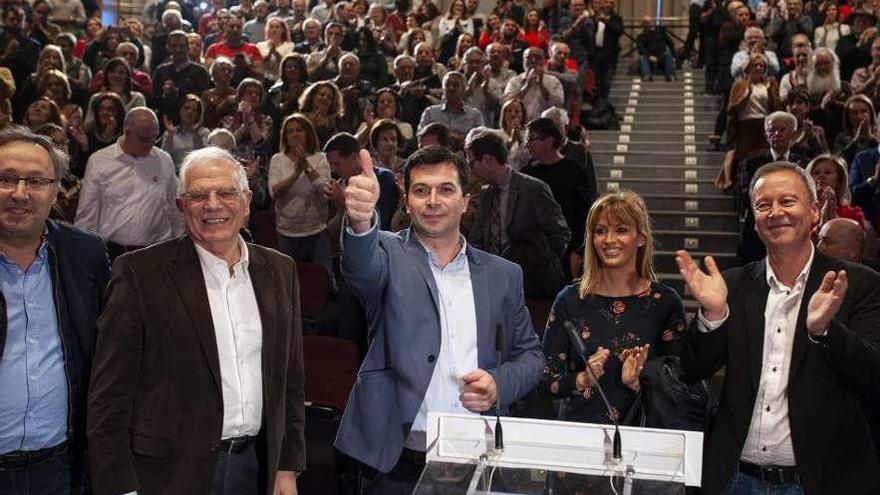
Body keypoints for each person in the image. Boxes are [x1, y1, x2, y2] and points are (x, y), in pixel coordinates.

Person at [87, 146, 306, 495]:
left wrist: (287, 466)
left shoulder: (280, 270)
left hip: (256, 467)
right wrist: (118, 487)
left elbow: (290, 381)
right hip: (167, 475)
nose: (213, 205)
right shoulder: (139, 275)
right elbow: (109, 396)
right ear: (180, 206)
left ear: (247, 201)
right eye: (199, 195)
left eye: (226, 193)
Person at [334, 145, 544, 494]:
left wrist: (498, 383)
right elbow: (360, 268)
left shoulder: (504, 275)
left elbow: (532, 356)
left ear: (465, 200)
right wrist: (360, 220)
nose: (433, 200)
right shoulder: (385, 253)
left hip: (478, 460)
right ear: (407, 201)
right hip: (397, 463)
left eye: (446, 189)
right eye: (421, 190)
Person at [675, 161, 880, 494]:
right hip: (736, 479)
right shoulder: (733, 284)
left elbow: (873, 374)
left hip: (822, 480)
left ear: (814, 212)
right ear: (755, 223)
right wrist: (713, 316)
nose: (775, 212)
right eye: (763, 205)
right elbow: (693, 368)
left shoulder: (859, 284)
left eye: (787, 201)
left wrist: (826, 331)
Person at [0, 126, 109, 495]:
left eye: (35, 181)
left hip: (60, 467)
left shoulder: (87, 254)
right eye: (6, 179)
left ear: (55, 190)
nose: (18, 193)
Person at [540, 189, 686, 423]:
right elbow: (544, 382)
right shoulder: (570, 299)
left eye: (621, 230)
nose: (609, 240)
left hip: (644, 436)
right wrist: (582, 380)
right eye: (600, 231)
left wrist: (639, 382)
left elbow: (681, 386)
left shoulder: (665, 302)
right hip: (579, 436)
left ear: (641, 238)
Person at [465, 127, 570, 300]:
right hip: (493, 285)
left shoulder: (533, 189)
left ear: (488, 159)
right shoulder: (486, 193)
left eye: (472, 163)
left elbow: (560, 233)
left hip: (530, 286)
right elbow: (478, 238)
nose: (470, 170)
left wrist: (542, 266)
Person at [75, 107, 182, 260]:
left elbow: (174, 206)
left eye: (155, 138)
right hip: (115, 253)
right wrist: (84, 255)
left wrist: (180, 243)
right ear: (127, 131)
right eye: (145, 139)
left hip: (158, 252)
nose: (151, 144)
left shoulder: (164, 160)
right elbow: (87, 214)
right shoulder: (99, 160)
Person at [522, 117, 597, 278]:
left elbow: (586, 213)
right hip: (534, 255)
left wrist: (578, 251)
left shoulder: (573, 170)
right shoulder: (526, 173)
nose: (526, 144)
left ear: (548, 141)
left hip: (568, 253)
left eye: (531, 139)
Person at [268, 113, 332, 278]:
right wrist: (296, 174)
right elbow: (274, 192)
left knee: (323, 279)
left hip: (317, 230)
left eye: (299, 130)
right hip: (287, 231)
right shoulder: (278, 160)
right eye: (290, 131)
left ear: (308, 133)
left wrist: (307, 167)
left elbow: (325, 189)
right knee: (289, 280)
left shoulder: (320, 158)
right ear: (285, 136)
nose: (295, 134)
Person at [635, 16, 676, 82]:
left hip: (661, 56)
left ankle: (671, 75)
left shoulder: (661, 33)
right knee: (642, 57)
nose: (649, 24)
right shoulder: (641, 36)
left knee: (668, 54)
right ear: (643, 25)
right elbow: (641, 49)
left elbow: (670, 43)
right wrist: (649, 56)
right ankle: (647, 75)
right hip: (649, 58)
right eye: (647, 23)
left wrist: (673, 56)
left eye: (650, 22)